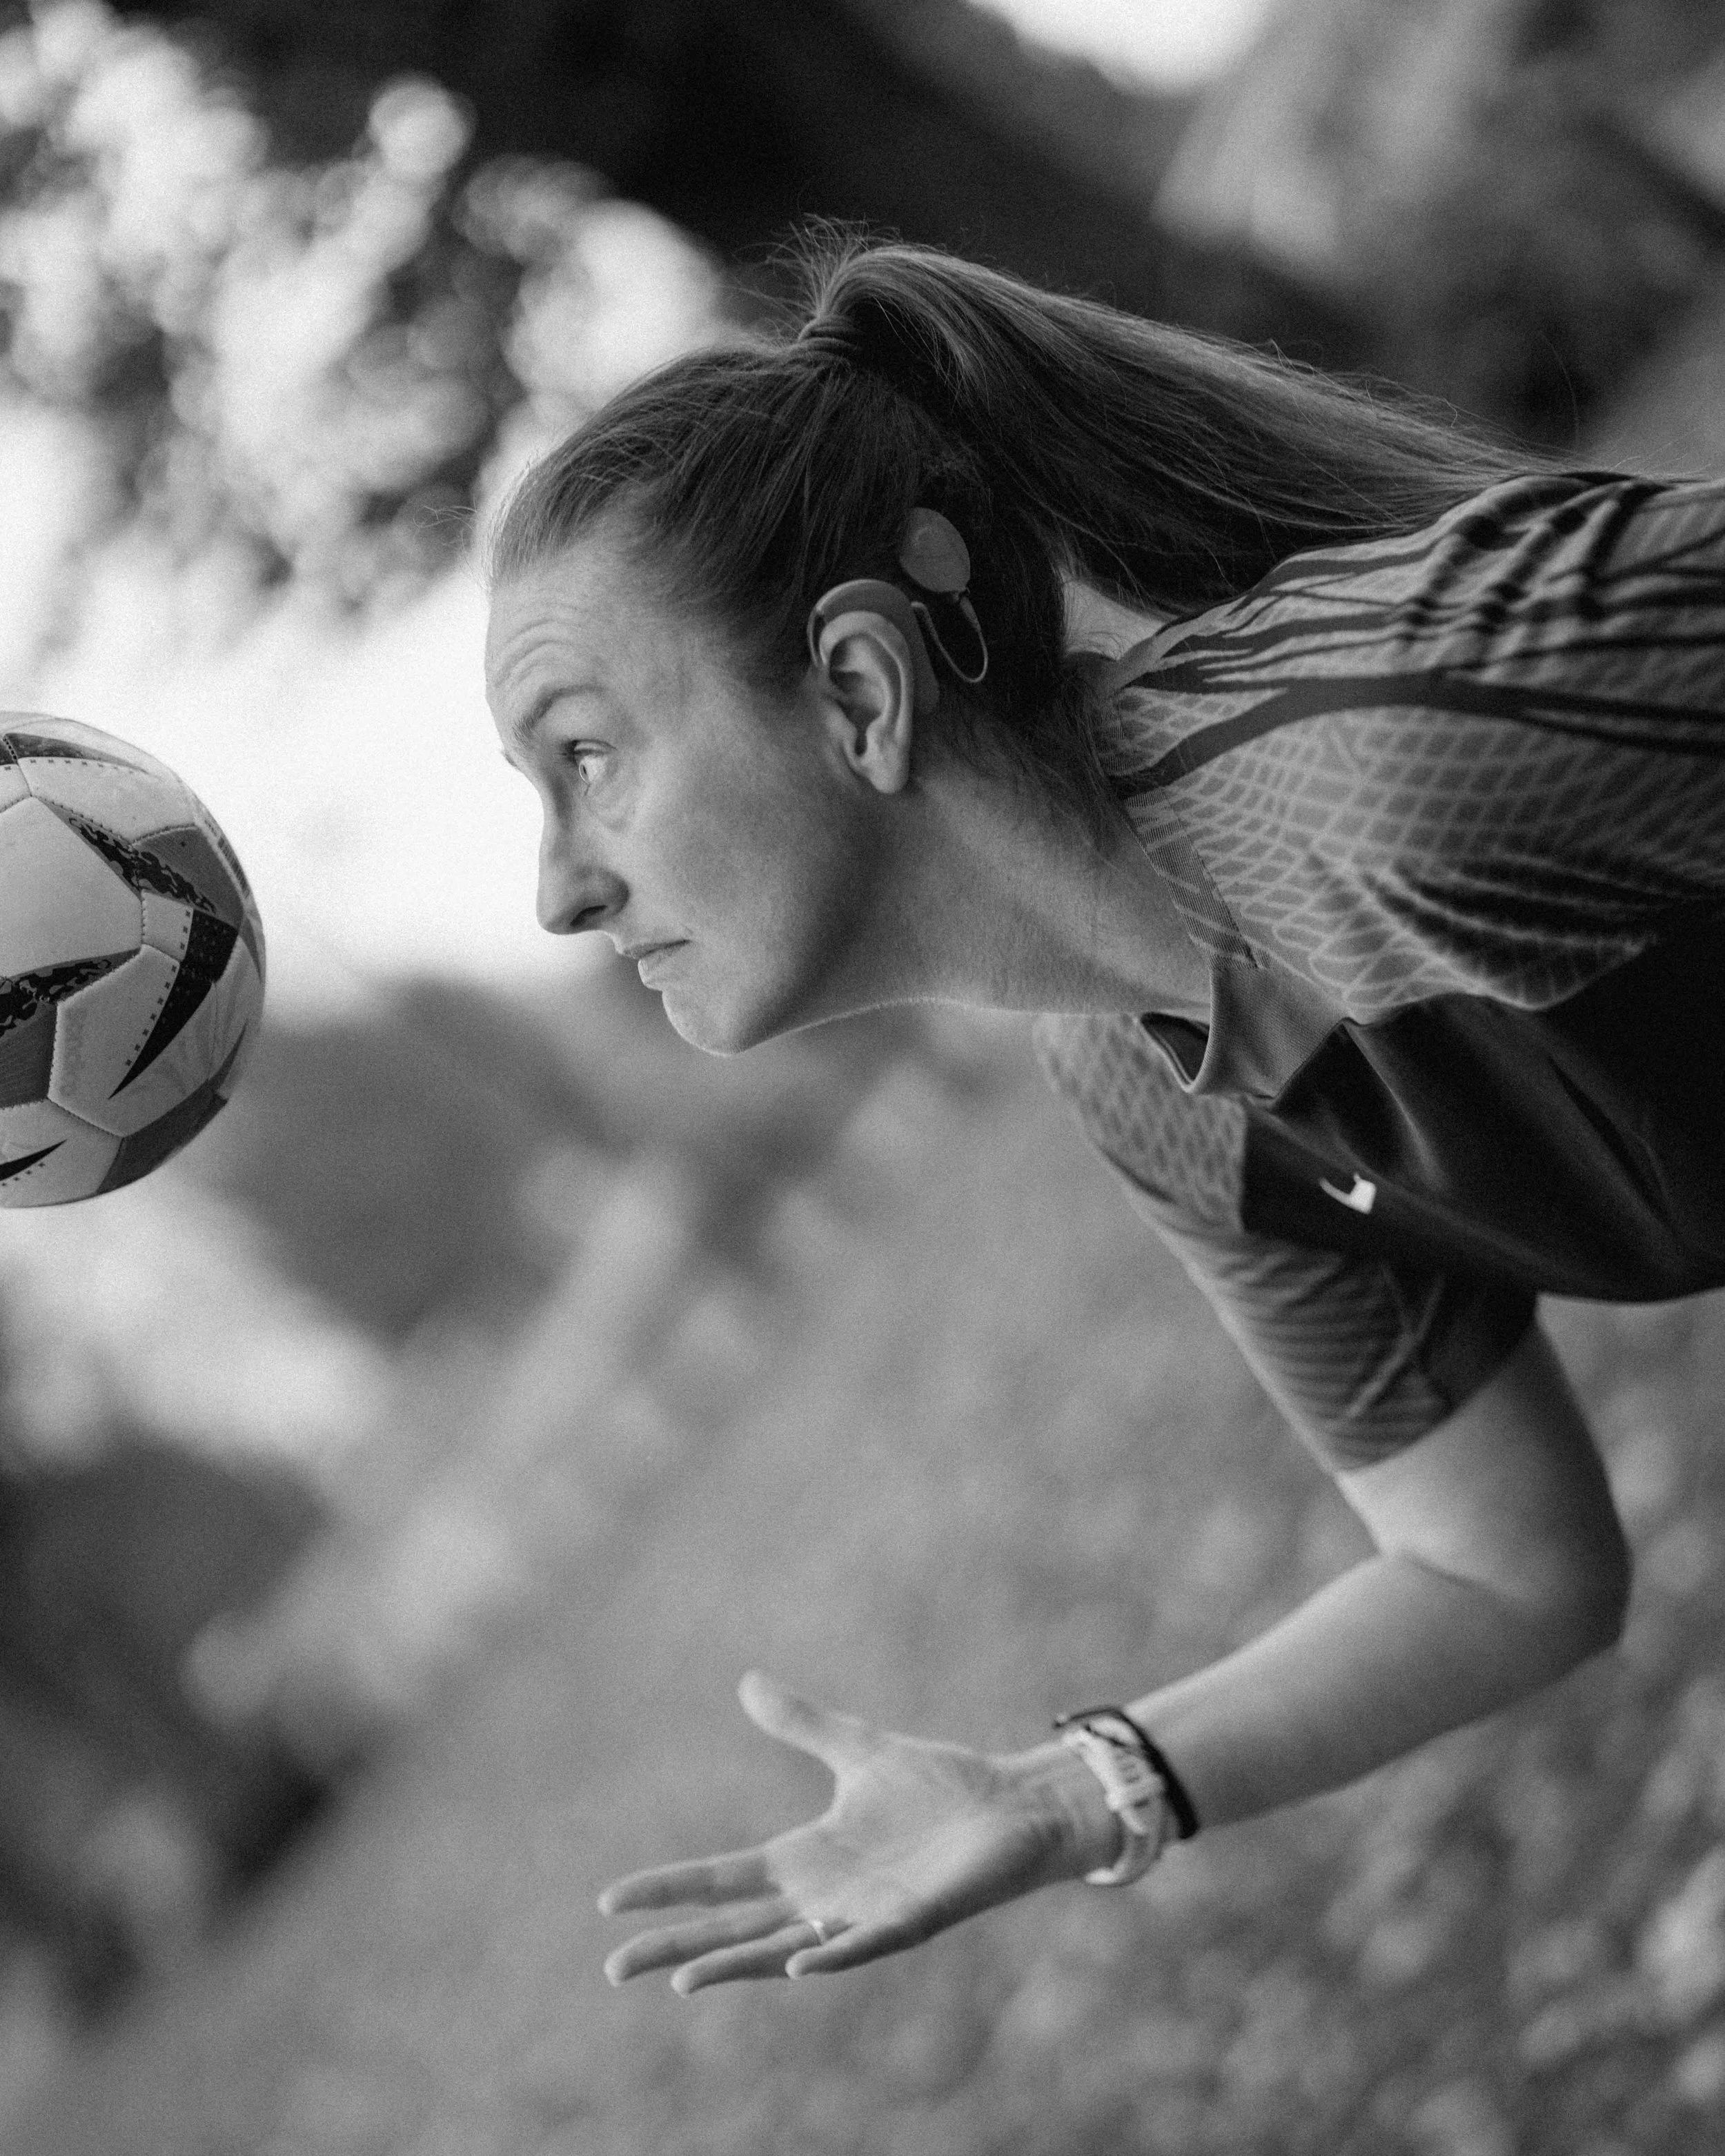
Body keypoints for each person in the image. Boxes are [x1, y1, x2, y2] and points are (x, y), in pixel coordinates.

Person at [482, 235, 1725, 1997]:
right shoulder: (1142, 1072)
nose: (555, 891)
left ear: (856, 691)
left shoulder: (1397, 761)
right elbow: (1500, 1564)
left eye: (583, 755)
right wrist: (1067, 1791)